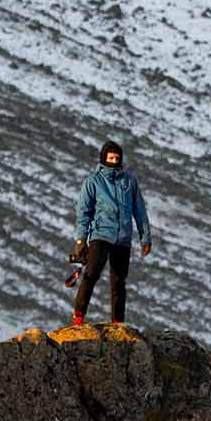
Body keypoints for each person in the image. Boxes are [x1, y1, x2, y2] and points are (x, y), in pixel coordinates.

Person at [70, 138, 151, 326]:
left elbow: (139, 210)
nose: (114, 161)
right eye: (111, 157)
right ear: (103, 157)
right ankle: (78, 318)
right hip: (100, 236)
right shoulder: (93, 182)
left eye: (117, 158)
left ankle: (117, 324)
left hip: (123, 240)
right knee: (91, 274)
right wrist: (81, 240)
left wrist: (145, 238)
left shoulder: (130, 182)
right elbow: (83, 212)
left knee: (118, 283)